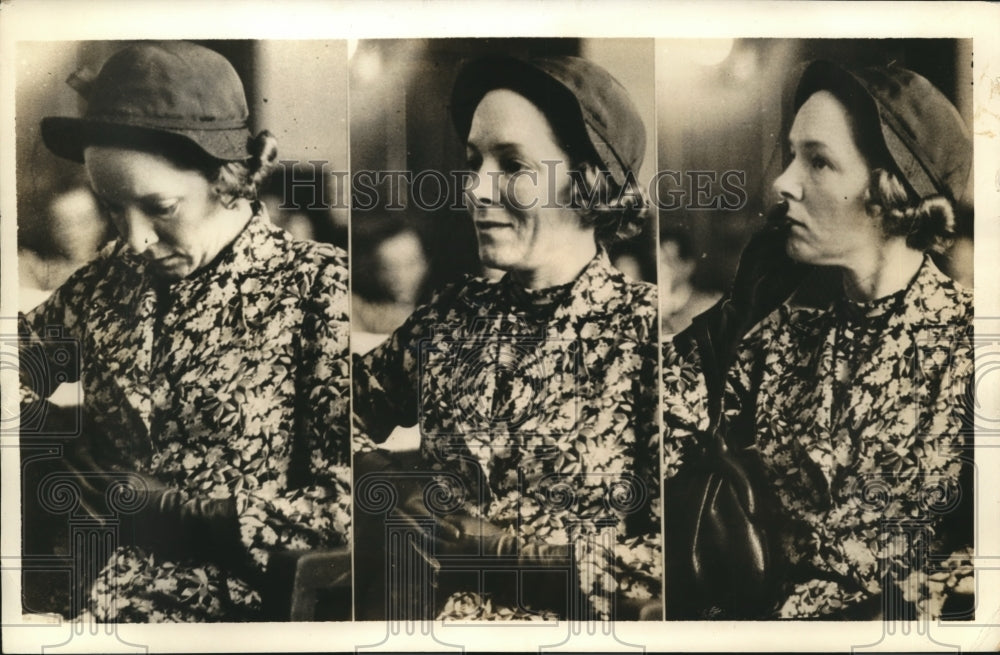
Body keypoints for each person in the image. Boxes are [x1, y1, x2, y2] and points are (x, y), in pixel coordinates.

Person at [19, 41, 351, 622]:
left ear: (229, 178)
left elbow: (352, 503)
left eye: (160, 207)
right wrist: (54, 447)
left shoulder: (317, 290)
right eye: (114, 210)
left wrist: (193, 515)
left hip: (231, 605)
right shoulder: (108, 279)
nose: (135, 238)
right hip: (75, 583)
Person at [352, 54, 661, 621]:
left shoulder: (651, 338)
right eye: (474, 162)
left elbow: (682, 563)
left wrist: (514, 555)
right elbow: (330, 413)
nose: (476, 189)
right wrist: (384, 487)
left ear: (588, 180)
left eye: (513, 165)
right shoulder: (449, 318)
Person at [664, 60, 974, 619]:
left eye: (819, 161)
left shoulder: (973, 349)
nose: (782, 182)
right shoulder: (778, 337)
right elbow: (653, 434)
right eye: (790, 155)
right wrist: (734, 317)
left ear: (892, 189)